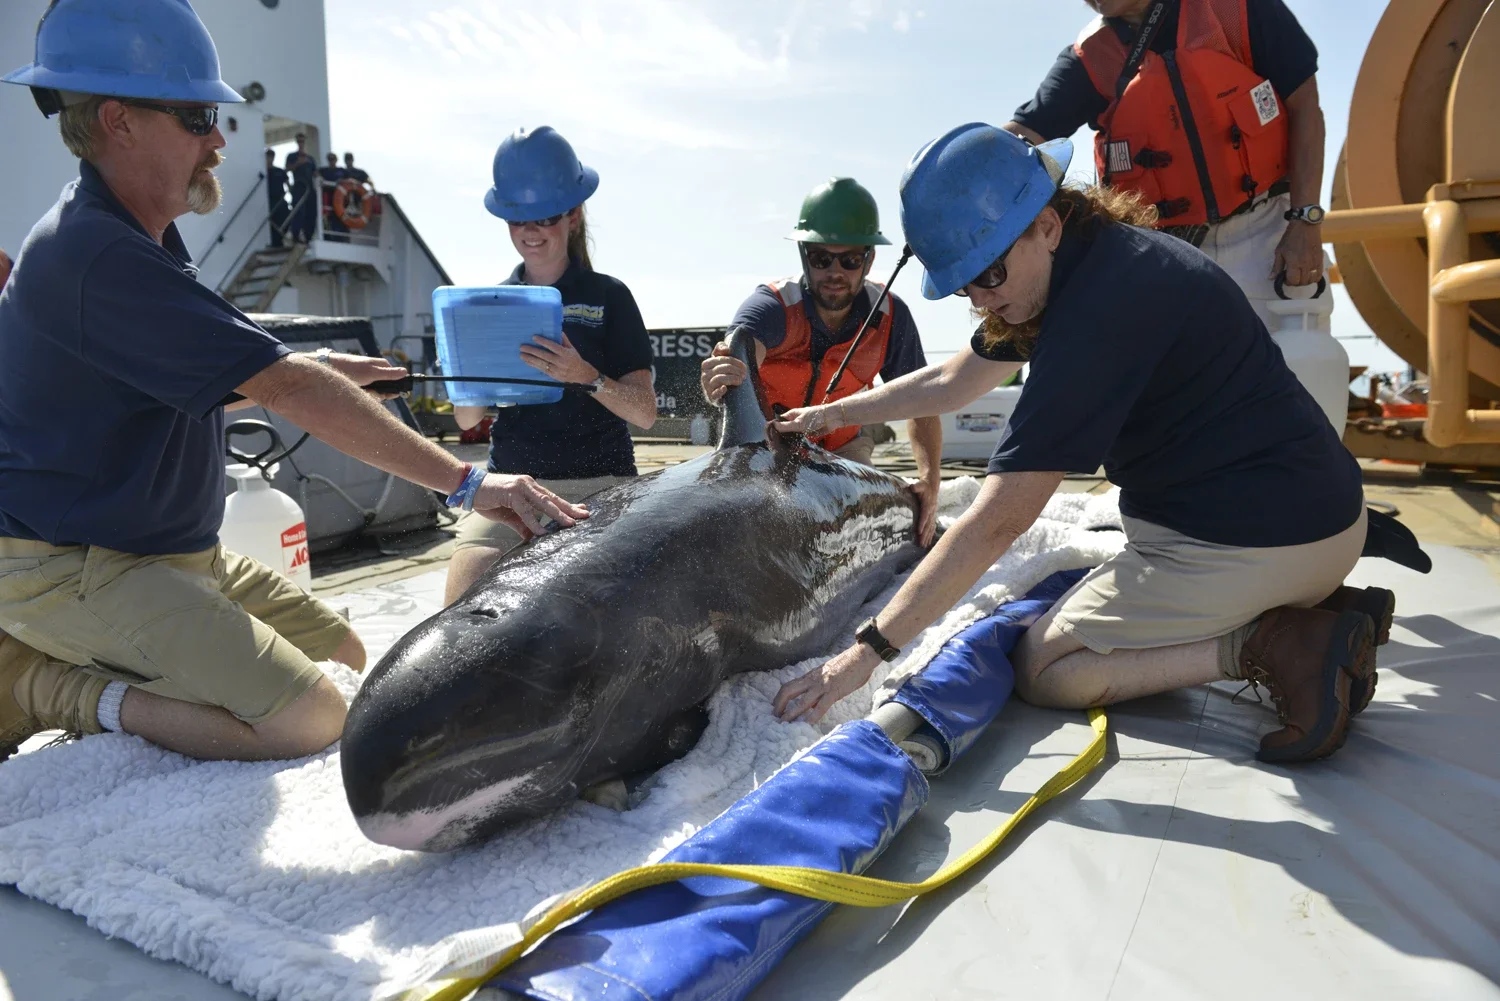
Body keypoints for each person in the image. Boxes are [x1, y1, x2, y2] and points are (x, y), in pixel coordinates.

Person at [0, 0, 588, 764]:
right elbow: (284, 389)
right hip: (72, 564)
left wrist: (317, 370)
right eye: (198, 114)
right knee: (307, 719)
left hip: (175, 551)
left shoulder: (137, 237)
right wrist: (469, 485)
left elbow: (212, 372)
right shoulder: (96, 254)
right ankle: (37, 684)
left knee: (350, 655)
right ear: (119, 121)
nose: (218, 138)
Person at [770, 124, 1392, 765]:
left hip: (1251, 544)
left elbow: (999, 522)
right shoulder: (1095, 258)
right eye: (965, 286)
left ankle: (1282, 639)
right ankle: (1318, 604)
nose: (984, 299)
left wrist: (862, 655)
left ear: (1045, 224)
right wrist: (825, 415)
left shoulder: (1094, 319)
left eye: (989, 272)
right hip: (1320, 516)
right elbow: (953, 379)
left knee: (1048, 668)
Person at [1004, 0, 1327, 327]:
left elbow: (1306, 108)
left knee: (1301, 361)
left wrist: (1304, 221)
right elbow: (1024, 135)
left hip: (1270, 232)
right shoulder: (1089, 58)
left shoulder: (1237, 9)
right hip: (1171, 253)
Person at [444, 126, 657, 605]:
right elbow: (467, 419)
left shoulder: (610, 296)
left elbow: (644, 412)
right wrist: (463, 368)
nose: (530, 232)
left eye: (544, 217)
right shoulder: (486, 304)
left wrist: (587, 377)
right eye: (518, 220)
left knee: (620, 614)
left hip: (604, 487)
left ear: (574, 216)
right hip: (512, 487)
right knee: (457, 616)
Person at [699, 177, 945, 545]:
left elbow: (922, 402)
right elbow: (741, 359)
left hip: (846, 448)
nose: (835, 272)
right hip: (767, 448)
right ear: (804, 255)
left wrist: (929, 479)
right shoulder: (772, 307)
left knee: (862, 537)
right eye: (821, 258)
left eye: (849, 260)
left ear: (869, 259)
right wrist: (722, 379)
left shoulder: (891, 316)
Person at [284, 132, 316, 242]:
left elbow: (315, 172)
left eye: (302, 141)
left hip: (310, 188)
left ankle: (308, 236)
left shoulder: (310, 158)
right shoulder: (292, 156)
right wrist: (298, 163)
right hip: (299, 187)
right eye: (299, 141)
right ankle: (296, 235)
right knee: (299, 212)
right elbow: (287, 169)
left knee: (311, 212)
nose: (301, 143)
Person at [318, 150, 346, 242]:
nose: (332, 161)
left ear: (336, 160)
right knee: (328, 220)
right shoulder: (324, 170)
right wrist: (320, 178)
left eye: (333, 159)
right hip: (328, 200)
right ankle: (329, 238)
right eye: (330, 159)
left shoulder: (341, 171)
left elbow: (349, 180)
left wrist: (342, 180)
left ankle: (341, 238)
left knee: (340, 219)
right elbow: (316, 173)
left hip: (340, 200)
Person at [265, 147, 290, 248]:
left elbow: (288, 184)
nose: (270, 158)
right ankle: (276, 242)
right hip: (270, 200)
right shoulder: (265, 172)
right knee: (273, 222)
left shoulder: (280, 171)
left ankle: (280, 238)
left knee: (287, 218)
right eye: (268, 156)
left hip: (281, 200)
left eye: (272, 156)